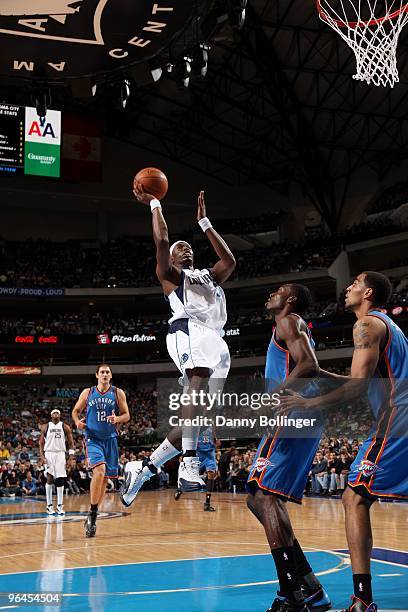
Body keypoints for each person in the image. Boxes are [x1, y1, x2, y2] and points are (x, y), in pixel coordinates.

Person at [280, 271, 408, 612]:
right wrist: (323, 375)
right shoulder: (387, 327)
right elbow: (359, 379)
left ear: (367, 293)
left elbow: (358, 386)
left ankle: (363, 599)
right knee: (357, 497)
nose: (348, 288)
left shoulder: (366, 325)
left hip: (398, 419)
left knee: (354, 497)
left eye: (354, 283)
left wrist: (309, 402)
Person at [121, 189, 235, 507]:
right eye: (179, 249)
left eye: (187, 248)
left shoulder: (209, 277)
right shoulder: (171, 276)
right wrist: (155, 205)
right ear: (171, 258)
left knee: (193, 420)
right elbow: (161, 241)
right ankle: (188, 462)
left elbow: (230, 260)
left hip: (217, 342)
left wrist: (204, 222)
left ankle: (144, 470)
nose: (185, 251)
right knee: (196, 379)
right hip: (188, 330)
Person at [246, 284, 331, 612]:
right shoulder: (292, 326)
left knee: (264, 498)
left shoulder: (288, 320)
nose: (271, 293)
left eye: (279, 290)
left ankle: (291, 596)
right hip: (299, 414)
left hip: (291, 414)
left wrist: (270, 399)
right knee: (258, 500)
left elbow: (307, 365)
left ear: (291, 300)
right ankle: (309, 588)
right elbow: (316, 368)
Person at [72, 364, 130, 537]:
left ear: (110, 376)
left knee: (105, 480)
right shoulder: (88, 392)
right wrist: (77, 422)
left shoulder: (117, 392)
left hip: (110, 439)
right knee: (99, 471)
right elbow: (76, 411)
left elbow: (127, 415)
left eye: (107, 372)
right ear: (97, 375)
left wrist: (117, 418)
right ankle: (92, 513)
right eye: (102, 372)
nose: (105, 374)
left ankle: (93, 514)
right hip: (93, 438)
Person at [39, 408, 75, 515]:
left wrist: (71, 457)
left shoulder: (65, 427)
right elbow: (41, 443)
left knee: (60, 479)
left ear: (60, 415)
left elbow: (71, 443)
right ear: (51, 415)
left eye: (57, 413)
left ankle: (59, 506)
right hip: (49, 453)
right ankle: (49, 506)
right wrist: (42, 456)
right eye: (54, 412)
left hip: (60, 453)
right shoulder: (46, 427)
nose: (55, 414)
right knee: (49, 478)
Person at [174, 425, 218, 511]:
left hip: (209, 454)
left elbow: (214, 436)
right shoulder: (195, 424)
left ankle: (207, 504)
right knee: (186, 468)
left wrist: (215, 441)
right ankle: (179, 488)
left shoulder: (212, 424)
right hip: (198, 453)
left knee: (211, 474)